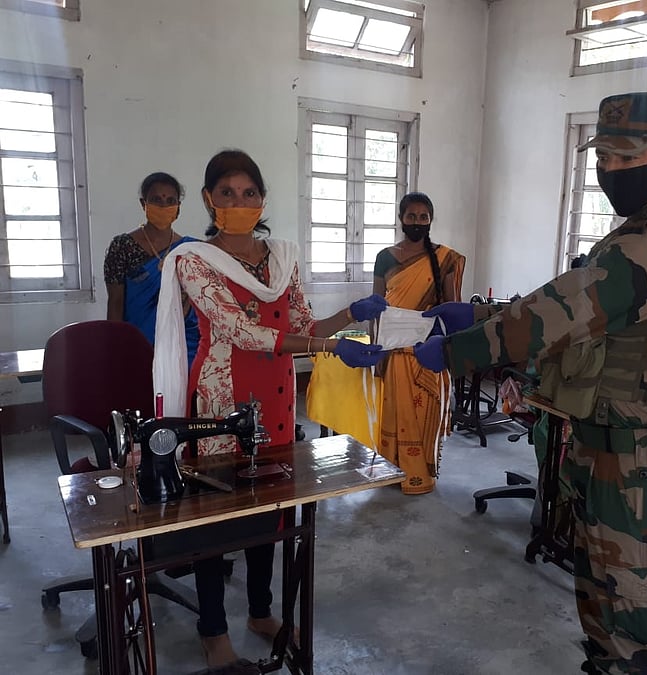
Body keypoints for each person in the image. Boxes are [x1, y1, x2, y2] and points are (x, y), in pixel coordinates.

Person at [414, 92, 647, 674]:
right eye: (603, 157)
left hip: (640, 466)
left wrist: (455, 349)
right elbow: (576, 305)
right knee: (606, 611)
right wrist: (481, 314)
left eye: (627, 158)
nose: (611, 171)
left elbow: (552, 317)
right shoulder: (638, 238)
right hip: (606, 453)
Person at [153, 149, 387, 667]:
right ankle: (213, 630)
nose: (240, 202)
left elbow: (302, 323)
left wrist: (351, 314)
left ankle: (261, 613)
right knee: (214, 511)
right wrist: (327, 348)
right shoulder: (194, 259)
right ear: (209, 199)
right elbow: (241, 331)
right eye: (228, 193)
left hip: (276, 396)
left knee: (270, 506)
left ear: (263, 199)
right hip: (220, 395)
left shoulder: (281, 256)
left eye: (250, 193)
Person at [372, 192, 465, 494]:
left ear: (430, 221)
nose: (417, 222)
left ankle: (420, 474)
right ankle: (391, 468)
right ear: (401, 219)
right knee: (397, 411)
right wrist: (376, 346)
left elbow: (452, 307)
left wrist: (450, 349)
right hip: (395, 348)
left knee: (425, 412)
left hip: (428, 350)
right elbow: (376, 306)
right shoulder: (385, 257)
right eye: (411, 216)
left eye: (423, 217)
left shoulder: (445, 258)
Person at [103, 172, 200, 364]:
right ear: (143, 203)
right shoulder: (123, 247)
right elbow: (115, 302)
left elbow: (196, 305)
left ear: (178, 208)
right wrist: (115, 346)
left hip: (182, 347)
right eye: (156, 200)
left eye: (170, 200)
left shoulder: (189, 250)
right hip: (136, 344)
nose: (164, 206)